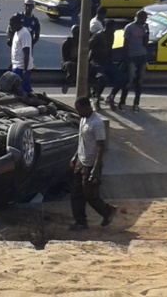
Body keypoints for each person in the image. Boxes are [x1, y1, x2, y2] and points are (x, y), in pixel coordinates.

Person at [69, 96, 117, 231]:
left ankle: (107, 211)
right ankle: (80, 222)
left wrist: (96, 169)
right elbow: (81, 140)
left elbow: (101, 146)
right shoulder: (83, 119)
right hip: (81, 160)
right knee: (76, 193)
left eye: (79, 110)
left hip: (91, 163)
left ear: (87, 107)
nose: (77, 112)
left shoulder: (97, 123)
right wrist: (75, 157)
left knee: (90, 194)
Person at [118, 10, 149, 113]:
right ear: (139, 17)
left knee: (140, 81)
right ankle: (122, 102)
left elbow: (145, 44)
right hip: (131, 56)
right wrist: (125, 57)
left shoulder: (143, 28)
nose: (145, 20)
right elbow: (125, 44)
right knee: (129, 80)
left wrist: (147, 32)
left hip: (142, 56)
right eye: (144, 18)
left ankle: (136, 103)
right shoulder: (129, 27)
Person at [88, 19, 122, 111]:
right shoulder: (98, 36)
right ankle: (96, 97)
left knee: (121, 78)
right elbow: (88, 46)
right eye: (114, 28)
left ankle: (111, 97)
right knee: (103, 79)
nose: (115, 30)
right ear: (109, 27)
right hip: (96, 62)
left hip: (107, 62)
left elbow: (110, 49)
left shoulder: (112, 35)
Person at [9, 14, 34, 94]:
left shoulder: (24, 34)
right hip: (16, 66)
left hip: (21, 67)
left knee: (21, 90)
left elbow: (26, 53)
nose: (10, 27)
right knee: (22, 89)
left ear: (17, 23)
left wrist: (25, 71)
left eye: (12, 25)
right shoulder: (17, 32)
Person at [61, 24, 79, 94]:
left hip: (78, 61)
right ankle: (67, 82)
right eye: (76, 32)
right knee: (71, 65)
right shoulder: (67, 42)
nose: (77, 34)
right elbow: (65, 57)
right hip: (68, 62)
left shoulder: (81, 42)